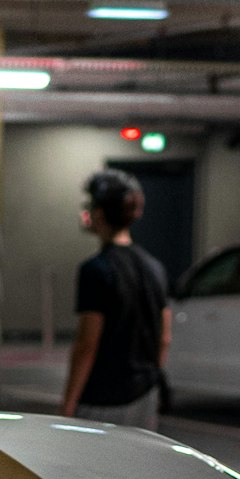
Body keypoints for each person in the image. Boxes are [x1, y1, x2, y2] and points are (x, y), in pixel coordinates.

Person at [61, 168, 170, 425]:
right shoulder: (155, 267)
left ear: (99, 214)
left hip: (103, 397)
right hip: (145, 394)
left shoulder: (96, 270)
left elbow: (87, 344)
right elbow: (165, 337)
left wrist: (68, 403)